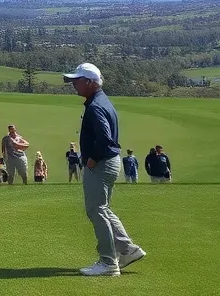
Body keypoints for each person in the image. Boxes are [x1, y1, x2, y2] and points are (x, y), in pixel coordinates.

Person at [64, 62, 146, 277]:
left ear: (90, 82)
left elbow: (106, 139)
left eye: (78, 80)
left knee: (96, 210)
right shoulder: (100, 100)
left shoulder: (95, 107)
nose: (74, 84)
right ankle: (128, 250)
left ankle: (108, 262)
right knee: (103, 208)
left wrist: (93, 158)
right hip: (109, 163)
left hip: (101, 163)